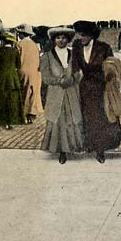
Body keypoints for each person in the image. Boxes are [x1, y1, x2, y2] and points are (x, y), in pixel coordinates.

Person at [72, 20, 121, 163]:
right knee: (87, 118)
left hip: (101, 88)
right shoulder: (76, 46)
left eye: (83, 35)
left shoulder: (104, 47)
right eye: (79, 35)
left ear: (91, 35)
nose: (80, 38)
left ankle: (100, 150)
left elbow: (112, 66)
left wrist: (110, 76)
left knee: (101, 119)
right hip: (85, 88)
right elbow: (75, 67)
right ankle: (89, 145)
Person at [40, 27, 83, 164]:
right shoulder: (46, 56)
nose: (61, 40)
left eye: (64, 38)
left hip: (71, 92)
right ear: (54, 40)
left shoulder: (74, 54)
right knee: (58, 121)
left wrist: (72, 79)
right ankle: (61, 151)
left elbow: (78, 72)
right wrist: (59, 80)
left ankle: (72, 147)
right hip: (56, 94)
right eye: (58, 38)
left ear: (68, 39)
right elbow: (45, 77)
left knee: (72, 119)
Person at [0, 32, 24, 130]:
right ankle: (11, 121)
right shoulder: (15, 51)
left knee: (1, 100)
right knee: (12, 100)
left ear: (4, 42)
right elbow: (18, 66)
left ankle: (2, 120)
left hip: (1, 79)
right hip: (13, 79)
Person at [16, 24, 44, 124]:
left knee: (23, 93)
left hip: (22, 71)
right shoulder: (35, 45)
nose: (19, 35)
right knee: (32, 93)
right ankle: (31, 115)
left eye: (19, 33)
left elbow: (17, 59)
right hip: (34, 72)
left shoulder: (19, 45)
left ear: (23, 34)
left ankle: (22, 115)